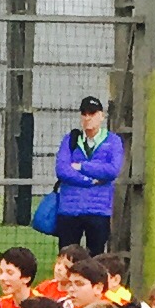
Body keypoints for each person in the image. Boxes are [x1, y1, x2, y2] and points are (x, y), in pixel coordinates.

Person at [48, 94, 123, 255]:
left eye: (92, 113)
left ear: (101, 116)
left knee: (96, 257)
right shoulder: (70, 139)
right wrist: (89, 181)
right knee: (67, 256)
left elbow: (112, 170)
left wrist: (81, 166)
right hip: (70, 209)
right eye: (84, 113)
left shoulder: (113, 141)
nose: (88, 118)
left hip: (98, 210)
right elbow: (62, 170)